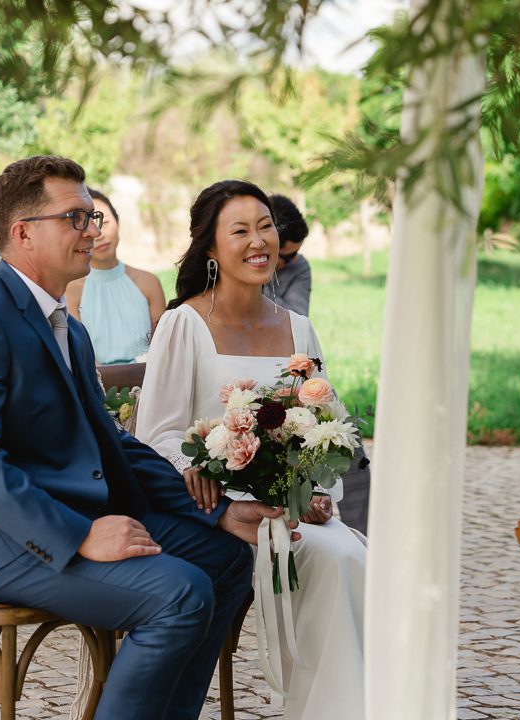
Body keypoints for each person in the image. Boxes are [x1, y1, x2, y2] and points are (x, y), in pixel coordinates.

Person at [0, 155, 288, 720]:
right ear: (23, 233)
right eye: (76, 218)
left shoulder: (68, 327)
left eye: (92, 216)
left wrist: (216, 511)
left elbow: (114, 444)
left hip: (70, 513)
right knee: (179, 594)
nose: (93, 229)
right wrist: (79, 534)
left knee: (228, 559)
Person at [135, 180, 367, 720]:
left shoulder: (299, 328)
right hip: (223, 513)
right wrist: (201, 472)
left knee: (353, 554)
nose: (258, 239)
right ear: (211, 249)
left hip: (298, 505)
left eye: (266, 226)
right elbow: (159, 434)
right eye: (240, 230)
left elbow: (327, 426)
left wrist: (319, 493)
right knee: (336, 556)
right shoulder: (183, 324)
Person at [65, 189, 165, 364]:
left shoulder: (149, 283)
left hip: (149, 381)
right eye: (88, 225)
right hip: (97, 385)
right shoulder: (71, 291)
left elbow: (164, 351)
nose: (99, 234)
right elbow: (79, 357)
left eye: (105, 222)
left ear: (118, 223)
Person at [263, 194, 312, 316]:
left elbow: (298, 319)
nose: (295, 259)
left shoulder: (300, 267)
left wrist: (256, 291)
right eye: (289, 256)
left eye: (297, 252)